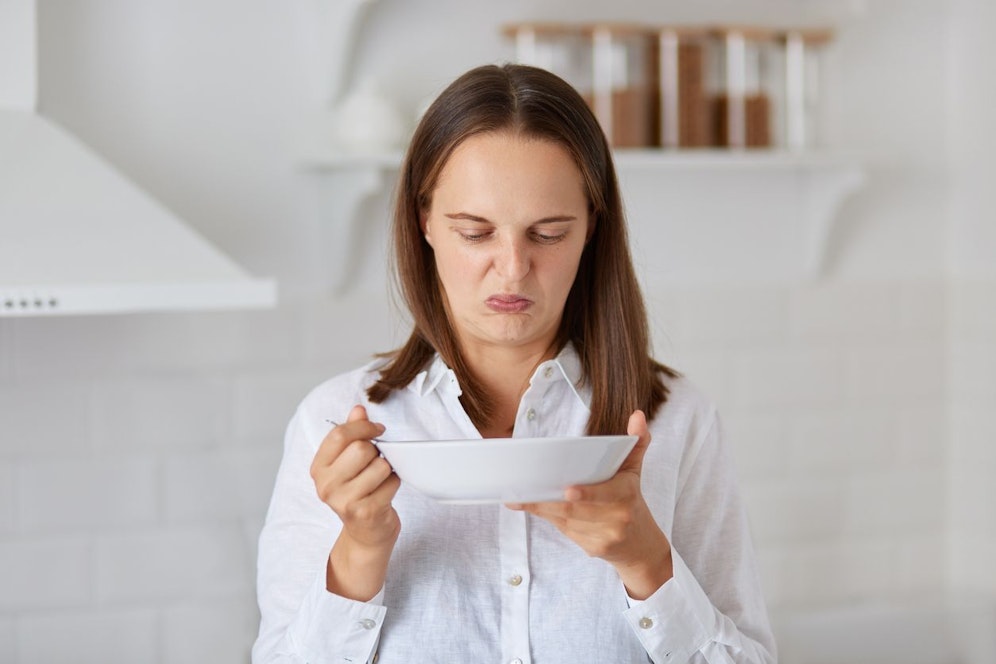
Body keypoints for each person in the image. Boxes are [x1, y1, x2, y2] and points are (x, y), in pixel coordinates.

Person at [252, 63, 776, 664]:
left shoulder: (680, 421)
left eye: (548, 234)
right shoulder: (334, 423)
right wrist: (361, 551)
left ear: (591, 231)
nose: (512, 267)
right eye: (475, 232)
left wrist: (647, 563)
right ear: (425, 222)